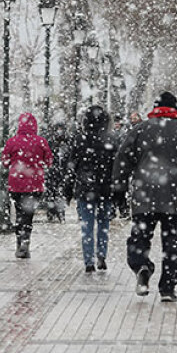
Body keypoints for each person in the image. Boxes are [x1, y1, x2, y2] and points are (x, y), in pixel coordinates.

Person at [112, 91, 177, 302]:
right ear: (175, 109)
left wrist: (118, 187)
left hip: (144, 196)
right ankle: (167, 287)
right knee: (175, 243)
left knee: (140, 237)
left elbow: (122, 160)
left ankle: (141, 266)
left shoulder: (139, 130)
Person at [64, 105, 118, 273]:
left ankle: (89, 260)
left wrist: (68, 188)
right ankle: (101, 254)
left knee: (87, 225)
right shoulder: (111, 140)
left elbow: (72, 166)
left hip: (85, 188)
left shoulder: (80, 139)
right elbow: (117, 167)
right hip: (105, 188)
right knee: (104, 224)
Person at [0, 113, 53, 258]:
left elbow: (4, 161)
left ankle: (19, 243)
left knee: (18, 213)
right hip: (34, 184)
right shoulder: (40, 142)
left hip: (16, 184)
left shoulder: (12, 142)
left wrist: (15, 162)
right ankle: (25, 242)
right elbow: (49, 161)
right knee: (28, 214)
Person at [44, 121, 71, 223]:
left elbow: (69, 157)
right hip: (52, 172)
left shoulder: (67, 142)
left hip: (61, 173)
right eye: (58, 129)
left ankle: (60, 213)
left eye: (61, 129)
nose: (59, 131)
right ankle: (51, 212)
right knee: (51, 194)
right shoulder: (50, 142)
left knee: (60, 194)